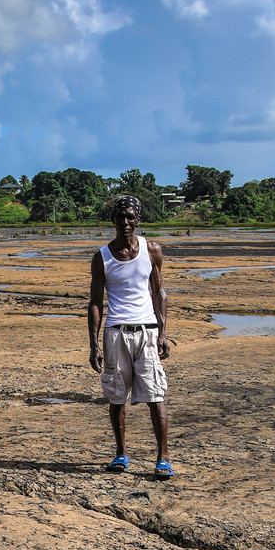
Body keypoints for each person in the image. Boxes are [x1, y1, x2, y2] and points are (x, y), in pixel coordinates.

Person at [88, 194, 173, 478]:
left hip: (147, 332)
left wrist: (162, 333)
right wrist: (94, 344)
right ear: (112, 220)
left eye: (130, 217)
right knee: (116, 397)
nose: (125, 222)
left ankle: (163, 458)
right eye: (120, 217)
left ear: (137, 220)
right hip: (115, 333)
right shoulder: (102, 257)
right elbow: (96, 302)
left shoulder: (152, 250)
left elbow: (158, 292)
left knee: (155, 395)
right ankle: (121, 454)